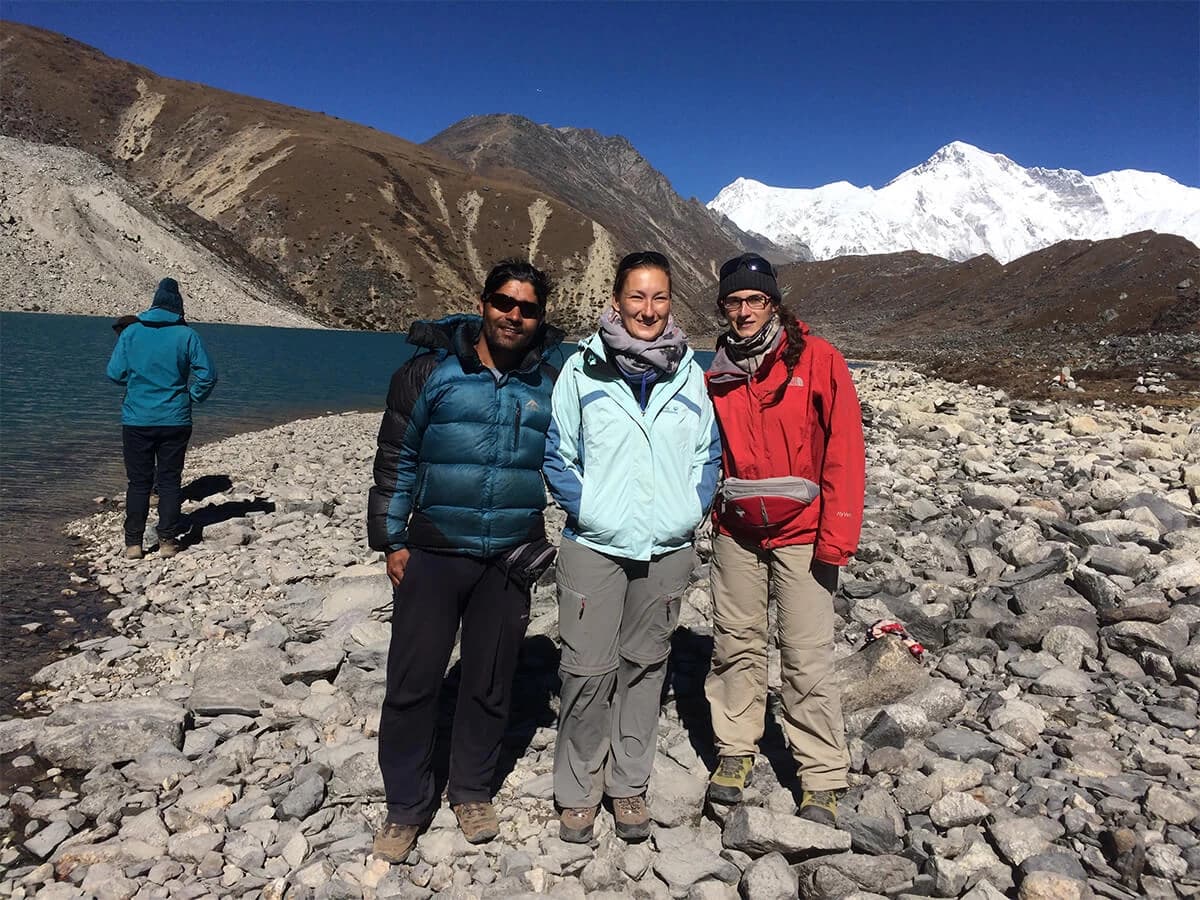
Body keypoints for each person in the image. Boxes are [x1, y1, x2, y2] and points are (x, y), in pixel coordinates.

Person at [367, 259, 564, 863]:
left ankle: (472, 789)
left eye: (528, 308)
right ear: (482, 303)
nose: (514, 315)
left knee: (489, 679)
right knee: (412, 680)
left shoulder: (551, 383)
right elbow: (396, 454)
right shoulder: (429, 371)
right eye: (504, 302)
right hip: (433, 548)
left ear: (540, 318)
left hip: (510, 553)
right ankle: (406, 805)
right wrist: (391, 539)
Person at [544, 250, 721, 844]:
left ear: (671, 302)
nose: (648, 309)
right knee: (587, 669)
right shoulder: (581, 371)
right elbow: (558, 453)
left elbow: (707, 454)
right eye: (637, 296)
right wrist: (590, 510)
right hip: (594, 544)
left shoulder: (689, 373)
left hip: (667, 547)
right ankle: (577, 789)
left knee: (646, 666)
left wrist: (688, 509)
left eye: (660, 297)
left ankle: (628, 785)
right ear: (617, 300)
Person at [703, 253, 865, 826]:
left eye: (755, 301)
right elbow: (710, 452)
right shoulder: (717, 371)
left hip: (804, 531)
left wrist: (837, 535)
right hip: (737, 531)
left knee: (805, 655)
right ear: (723, 307)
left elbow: (844, 449)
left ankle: (820, 775)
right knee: (735, 642)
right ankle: (735, 749)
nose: (744, 312)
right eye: (733, 302)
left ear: (773, 303)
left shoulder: (819, 360)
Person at [106, 278, 216, 559]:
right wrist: (192, 396)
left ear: (154, 302)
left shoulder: (131, 332)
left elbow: (115, 374)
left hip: (137, 419)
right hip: (175, 419)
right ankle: (167, 541)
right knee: (169, 481)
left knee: (138, 483)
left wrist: (137, 380)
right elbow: (208, 375)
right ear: (179, 307)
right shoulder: (187, 335)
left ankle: (133, 544)